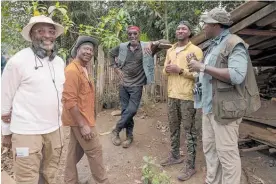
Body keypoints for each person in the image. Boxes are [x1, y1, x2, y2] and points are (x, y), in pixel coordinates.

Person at [188, 8, 261, 184]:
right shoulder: (213, 45)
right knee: (210, 150)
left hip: (225, 111)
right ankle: (212, 181)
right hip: (209, 107)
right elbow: (207, 75)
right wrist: (198, 66)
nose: (203, 27)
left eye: (206, 24)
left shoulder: (234, 43)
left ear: (215, 25)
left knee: (227, 154)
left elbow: (237, 75)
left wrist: (203, 67)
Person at [1, 15, 65, 184]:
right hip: (26, 132)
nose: (47, 35)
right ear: (31, 35)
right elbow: (4, 97)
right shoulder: (17, 62)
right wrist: (6, 132)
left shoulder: (59, 62)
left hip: (54, 130)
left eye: (51, 31)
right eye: (41, 31)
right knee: (27, 178)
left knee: (49, 175)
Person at [109, 25, 168, 148]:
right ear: (127, 35)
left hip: (137, 85)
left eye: (135, 33)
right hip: (123, 84)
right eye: (130, 34)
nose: (132, 36)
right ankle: (129, 137)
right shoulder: (122, 47)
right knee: (126, 111)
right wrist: (116, 69)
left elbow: (166, 43)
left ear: (139, 34)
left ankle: (116, 129)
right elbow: (110, 54)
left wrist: (155, 43)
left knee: (132, 110)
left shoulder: (147, 47)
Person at [62, 36, 110, 184]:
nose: (88, 52)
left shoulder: (83, 68)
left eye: (90, 49)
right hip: (80, 119)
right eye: (85, 49)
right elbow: (70, 100)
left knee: (74, 152)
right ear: (77, 50)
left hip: (84, 117)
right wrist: (83, 125)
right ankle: (103, 181)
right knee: (95, 151)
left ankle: (70, 181)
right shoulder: (72, 71)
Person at [160, 21, 203, 181]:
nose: (180, 30)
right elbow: (165, 70)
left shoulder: (195, 50)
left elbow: (199, 74)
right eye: (178, 28)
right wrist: (168, 69)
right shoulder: (171, 50)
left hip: (187, 96)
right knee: (173, 128)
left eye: (184, 28)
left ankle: (190, 166)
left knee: (189, 131)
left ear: (189, 32)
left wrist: (180, 71)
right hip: (172, 95)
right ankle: (175, 155)